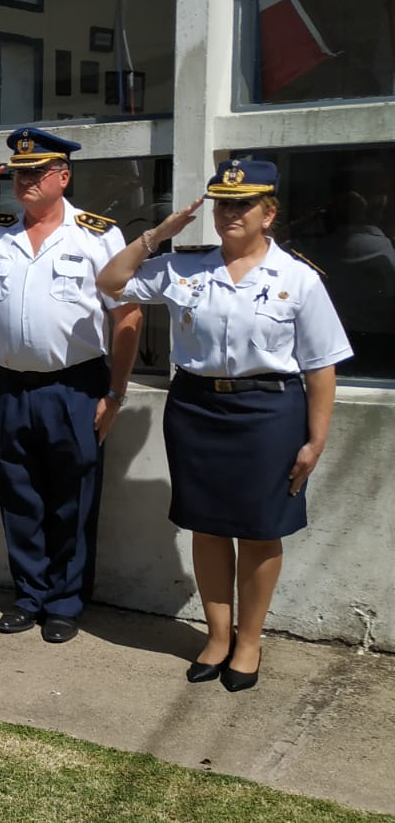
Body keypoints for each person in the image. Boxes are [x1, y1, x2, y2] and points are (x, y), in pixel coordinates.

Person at [98, 159, 353, 691]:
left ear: (269, 212)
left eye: (243, 204)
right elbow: (111, 281)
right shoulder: (185, 268)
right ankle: (217, 636)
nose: (230, 213)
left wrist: (317, 439)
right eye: (223, 204)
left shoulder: (298, 278)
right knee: (209, 526)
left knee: (260, 532)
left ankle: (250, 640)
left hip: (269, 413)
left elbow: (320, 366)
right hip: (196, 409)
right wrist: (157, 235)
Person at [0, 127, 142, 643]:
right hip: (11, 386)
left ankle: (65, 601)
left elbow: (127, 318)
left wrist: (116, 394)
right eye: (19, 173)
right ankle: (29, 595)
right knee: (20, 495)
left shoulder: (97, 234)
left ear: (64, 176)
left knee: (73, 497)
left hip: (77, 386)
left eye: (37, 173)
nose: (26, 181)